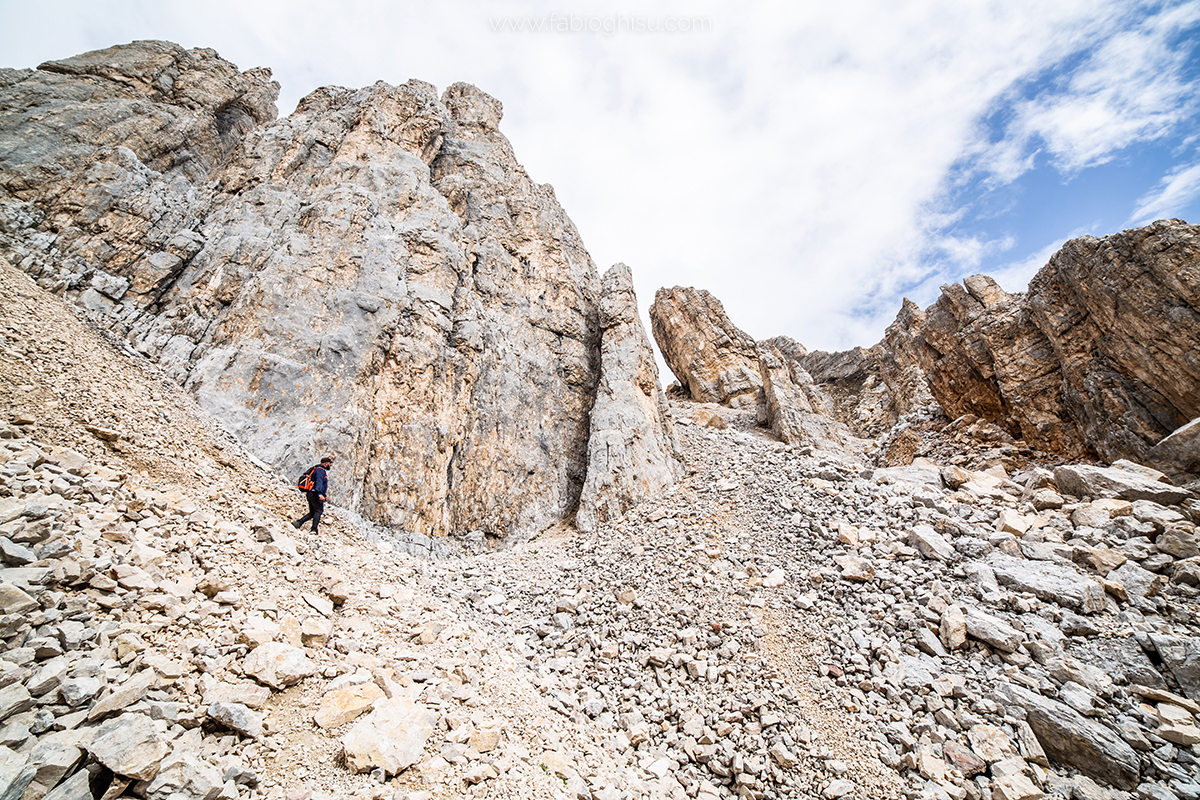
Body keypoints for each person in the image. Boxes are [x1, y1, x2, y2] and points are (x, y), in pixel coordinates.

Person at [294, 456, 333, 535]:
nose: (330, 466)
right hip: (315, 494)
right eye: (329, 464)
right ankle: (314, 529)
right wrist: (320, 494)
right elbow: (319, 482)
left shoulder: (315, 469)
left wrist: (324, 495)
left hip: (310, 493)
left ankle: (298, 523)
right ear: (326, 464)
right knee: (318, 511)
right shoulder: (320, 471)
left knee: (312, 512)